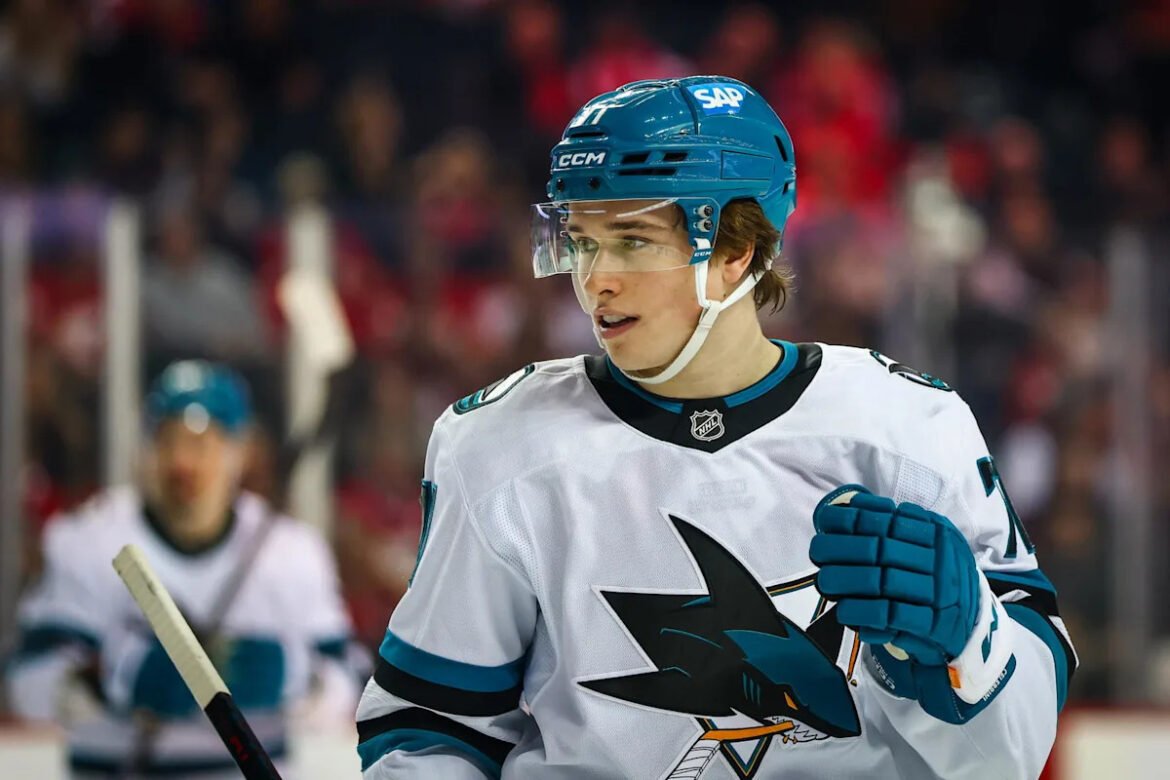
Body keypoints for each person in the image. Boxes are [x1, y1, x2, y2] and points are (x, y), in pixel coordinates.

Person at [355, 76, 1075, 779]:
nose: (596, 278)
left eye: (632, 240)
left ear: (737, 251)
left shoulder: (909, 426)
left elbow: (1009, 757)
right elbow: (432, 728)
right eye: (582, 240)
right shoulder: (500, 446)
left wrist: (972, 639)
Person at [7, 360, 358, 778]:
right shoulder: (88, 542)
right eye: (167, 440)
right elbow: (27, 683)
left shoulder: (292, 554)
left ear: (240, 452)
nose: (182, 462)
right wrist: (105, 679)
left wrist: (296, 677)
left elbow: (349, 682)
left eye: (202, 444)